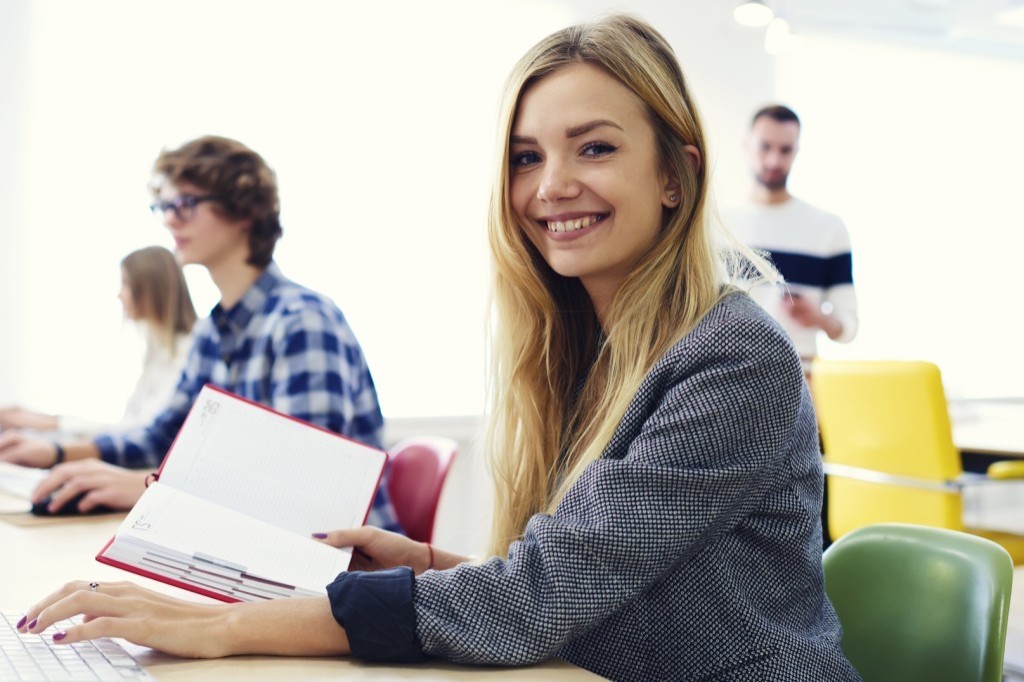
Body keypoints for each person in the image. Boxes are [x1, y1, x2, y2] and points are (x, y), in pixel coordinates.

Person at [16, 16, 858, 680]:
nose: (550, 185)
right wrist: (431, 565)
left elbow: (541, 598)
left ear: (677, 173)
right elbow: (589, 584)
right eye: (526, 157)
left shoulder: (732, 358)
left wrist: (225, 625)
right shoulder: (586, 349)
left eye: (594, 147)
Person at [0, 136, 399, 531]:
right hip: (266, 546)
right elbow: (167, 435)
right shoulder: (212, 331)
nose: (170, 219)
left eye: (186, 204)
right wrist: (55, 452)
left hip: (348, 568)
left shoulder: (302, 321)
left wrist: (149, 488)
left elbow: (304, 484)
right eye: (165, 207)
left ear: (244, 211)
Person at [0, 246, 196, 438]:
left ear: (150, 288)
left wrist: (50, 423)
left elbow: (142, 431)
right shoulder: (157, 351)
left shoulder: (187, 354)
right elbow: (127, 424)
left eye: (126, 283)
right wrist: (40, 420)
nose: (120, 294)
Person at [724, 104, 858, 374]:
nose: (774, 160)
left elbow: (849, 327)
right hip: (727, 371)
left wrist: (820, 318)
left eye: (785, 150)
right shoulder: (717, 225)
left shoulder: (828, 228)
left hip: (800, 374)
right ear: (746, 146)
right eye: (765, 147)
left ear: (796, 151)